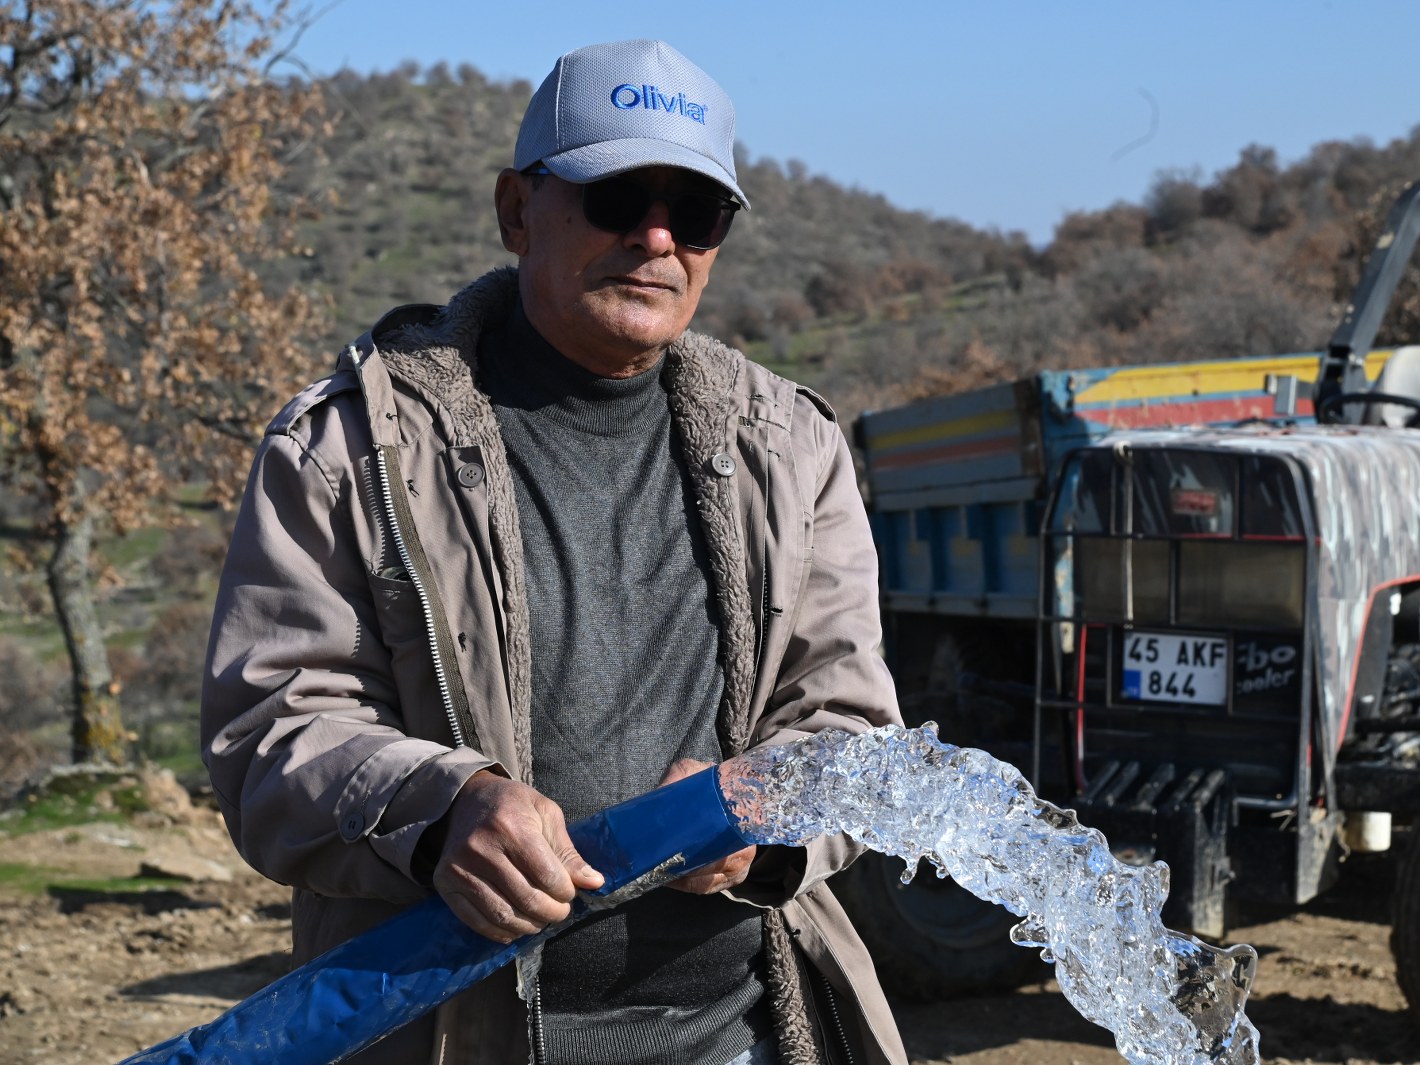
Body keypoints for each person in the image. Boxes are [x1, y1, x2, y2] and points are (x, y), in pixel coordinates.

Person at [201, 38, 907, 1065]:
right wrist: (443, 809)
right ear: (517, 211)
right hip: (453, 1033)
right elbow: (271, 727)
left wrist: (770, 815)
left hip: (739, 1029)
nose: (657, 238)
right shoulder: (350, 446)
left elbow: (852, 723)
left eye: (695, 213)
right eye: (620, 197)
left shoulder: (790, 447)